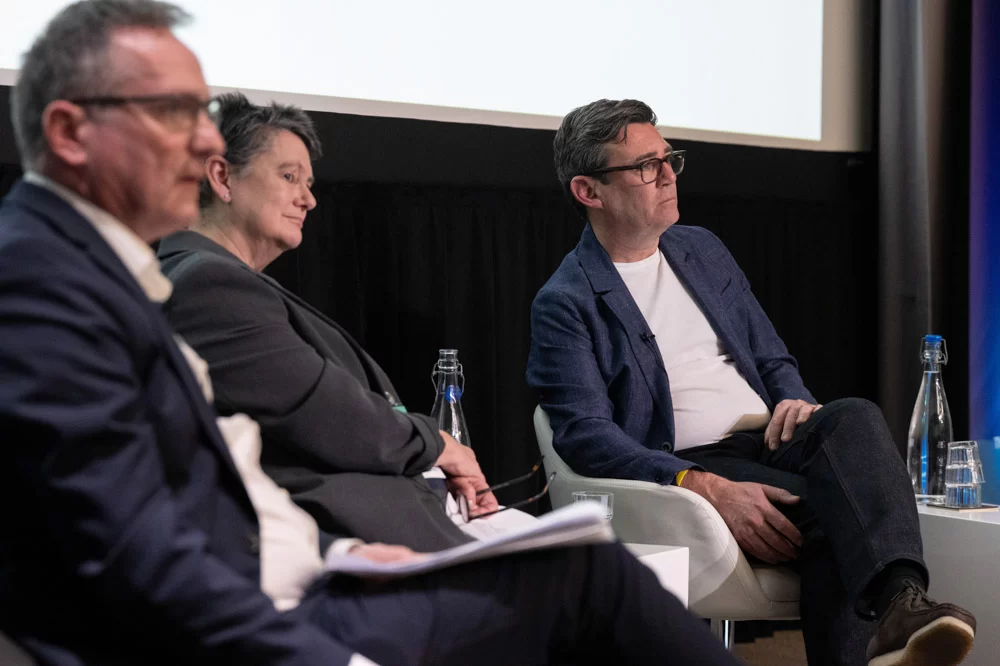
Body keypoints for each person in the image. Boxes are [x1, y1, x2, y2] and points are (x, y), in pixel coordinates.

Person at [0, 4, 747, 665]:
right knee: (594, 585)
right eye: (174, 115)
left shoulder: (107, 273)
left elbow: (210, 498)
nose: (203, 147)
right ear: (69, 132)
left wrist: (343, 552)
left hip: (311, 574)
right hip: (269, 625)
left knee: (591, 579)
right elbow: (119, 555)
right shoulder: (46, 285)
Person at [526, 98, 976, 666]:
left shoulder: (703, 249)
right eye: (645, 166)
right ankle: (897, 616)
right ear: (589, 191)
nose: (667, 175)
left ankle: (902, 605)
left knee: (855, 413)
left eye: (669, 159)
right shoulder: (565, 301)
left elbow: (771, 357)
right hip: (693, 456)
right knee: (832, 514)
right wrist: (696, 482)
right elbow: (583, 434)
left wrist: (794, 396)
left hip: (772, 438)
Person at [155, 93, 502, 551]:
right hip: (344, 551)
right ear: (222, 176)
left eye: (308, 181)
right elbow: (329, 415)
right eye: (288, 176)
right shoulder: (208, 286)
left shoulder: (220, 280)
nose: (309, 199)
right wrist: (436, 443)